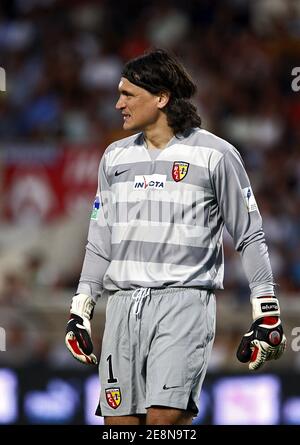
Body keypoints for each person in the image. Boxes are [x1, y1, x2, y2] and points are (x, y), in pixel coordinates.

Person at [65, 49, 286, 425]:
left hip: (183, 304)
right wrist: (81, 308)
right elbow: (100, 240)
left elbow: (248, 235)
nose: (118, 104)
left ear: (162, 97)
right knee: (118, 429)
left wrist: (266, 309)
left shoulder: (216, 155)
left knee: (163, 423)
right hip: (121, 307)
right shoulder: (113, 159)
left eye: (128, 94)